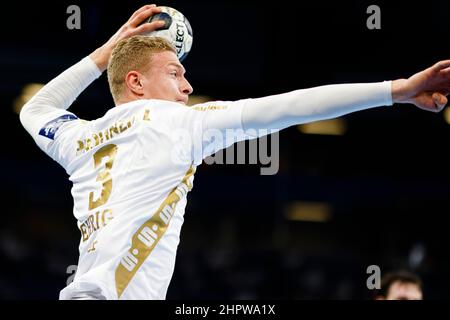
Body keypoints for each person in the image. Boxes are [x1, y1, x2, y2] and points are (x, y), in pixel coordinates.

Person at [19, 4, 450, 300]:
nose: (187, 87)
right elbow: (287, 107)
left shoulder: (81, 140)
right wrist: (397, 91)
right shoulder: (179, 123)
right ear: (136, 83)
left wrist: (106, 51)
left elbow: (37, 109)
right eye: (175, 73)